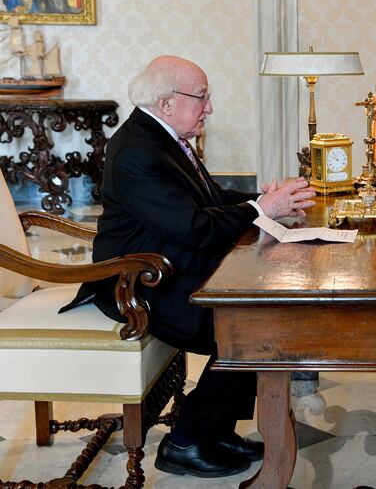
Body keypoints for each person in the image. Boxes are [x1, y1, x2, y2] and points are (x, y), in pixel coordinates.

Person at [61, 55, 316, 478]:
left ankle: (216, 431)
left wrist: (262, 198)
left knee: (256, 306)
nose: (209, 108)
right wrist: (260, 208)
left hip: (165, 264)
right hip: (135, 283)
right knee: (249, 327)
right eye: (202, 97)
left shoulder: (160, 136)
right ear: (166, 102)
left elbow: (208, 195)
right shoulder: (136, 152)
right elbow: (194, 227)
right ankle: (185, 441)